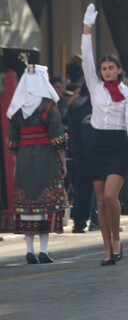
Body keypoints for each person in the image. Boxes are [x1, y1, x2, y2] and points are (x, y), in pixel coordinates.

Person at [81, 3, 128, 266]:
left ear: (118, 69)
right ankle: (107, 248)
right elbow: (86, 58)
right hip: (96, 143)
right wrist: (86, 28)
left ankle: (117, 239)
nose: (106, 71)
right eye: (103, 68)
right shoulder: (95, 87)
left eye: (110, 68)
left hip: (117, 145)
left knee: (109, 196)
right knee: (100, 202)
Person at [6, 63, 69, 264]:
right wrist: (63, 162)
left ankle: (29, 250)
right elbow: (57, 139)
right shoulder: (49, 106)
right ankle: (43, 250)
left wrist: (17, 164)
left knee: (27, 204)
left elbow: (13, 142)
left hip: (25, 158)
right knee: (45, 204)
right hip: (45, 158)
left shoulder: (17, 108)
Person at [69, 84, 99, 233]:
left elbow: (73, 135)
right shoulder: (100, 111)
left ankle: (80, 222)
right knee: (99, 190)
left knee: (83, 190)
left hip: (83, 156)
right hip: (96, 156)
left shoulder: (79, 110)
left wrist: (76, 152)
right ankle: (95, 220)